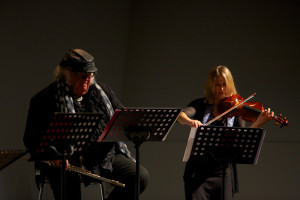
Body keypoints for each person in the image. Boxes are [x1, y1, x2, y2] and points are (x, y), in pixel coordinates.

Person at [23, 48, 149, 200]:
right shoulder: (44, 99)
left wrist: (134, 124)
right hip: (66, 161)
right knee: (68, 182)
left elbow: (122, 116)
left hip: (103, 157)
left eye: (90, 76)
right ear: (66, 75)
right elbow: (31, 139)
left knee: (139, 176)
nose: (87, 81)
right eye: (82, 76)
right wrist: (52, 155)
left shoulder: (102, 91)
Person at [177, 65, 274, 200]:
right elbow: (180, 115)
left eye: (224, 84)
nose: (221, 89)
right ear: (211, 85)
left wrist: (259, 122)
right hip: (197, 172)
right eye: (217, 85)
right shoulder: (200, 105)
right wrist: (190, 122)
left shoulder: (235, 108)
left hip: (223, 173)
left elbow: (243, 138)